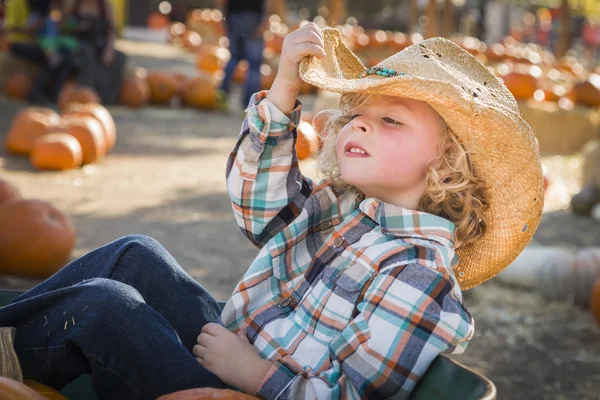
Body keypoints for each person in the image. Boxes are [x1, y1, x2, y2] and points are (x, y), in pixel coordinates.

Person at [0, 23, 544, 399]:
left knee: (107, 308)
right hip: (234, 354)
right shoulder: (344, 210)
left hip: (246, 389)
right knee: (136, 255)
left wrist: (255, 374)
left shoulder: (419, 276)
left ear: (446, 163)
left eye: (391, 121)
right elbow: (258, 208)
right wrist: (283, 90)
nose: (358, 124)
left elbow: (348, 395)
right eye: (359, 113)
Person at [214, 0, 283, 111]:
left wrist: (223, 18)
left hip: (233, 17)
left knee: (234, 58)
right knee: (254, 65)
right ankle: (250, 106)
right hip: (253, 18)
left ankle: (221, 96)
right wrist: (265, 19)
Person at [60, 0, 125, 105]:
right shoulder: (73, 3)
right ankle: (85, 95)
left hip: (99, 43)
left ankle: (107, 99)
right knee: (87, 53)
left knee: (119, 57)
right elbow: (62, 26)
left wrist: (109, 51)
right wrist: (77, 26)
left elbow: (111, 32)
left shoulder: (105, 5)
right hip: (77, 44)